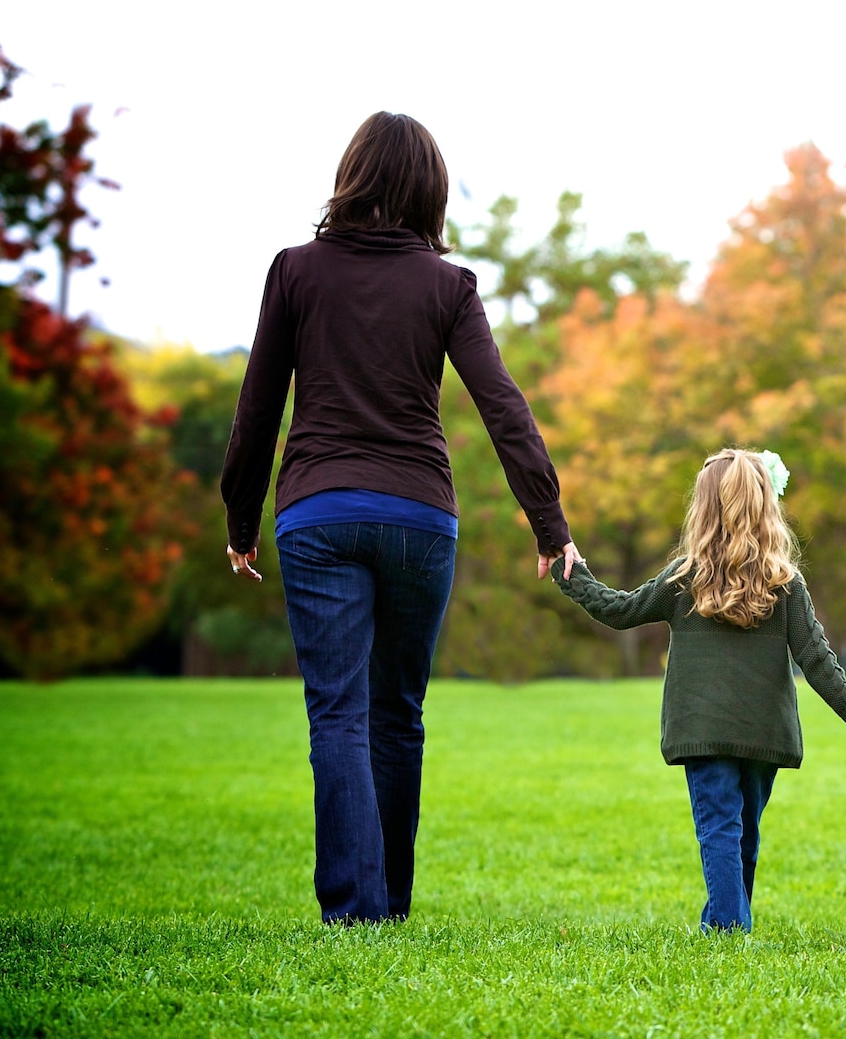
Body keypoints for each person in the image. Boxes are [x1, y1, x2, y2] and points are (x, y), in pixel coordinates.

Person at [219, 112, 581, 924]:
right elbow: (503, 406)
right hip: (420, 517)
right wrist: (548, 521)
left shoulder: (296, 272)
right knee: (398, 712)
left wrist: (241, 517)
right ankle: (391, 904)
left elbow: (257, 407)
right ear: (430, 189)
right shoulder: (447, 285)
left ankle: (356, 909)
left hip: (316, 511)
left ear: (351, 176)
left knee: (338, 711)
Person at [550, 449, 846, 932]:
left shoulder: (692, 579)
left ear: (702, 511)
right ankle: (729, 925)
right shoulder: (776, 582)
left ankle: (726, 925)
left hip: (705, 729)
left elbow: (617, 610)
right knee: (739, 833)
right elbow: (815, 657)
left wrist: (573, 574)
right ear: (766, 507)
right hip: (761, 731)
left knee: (726, 831)